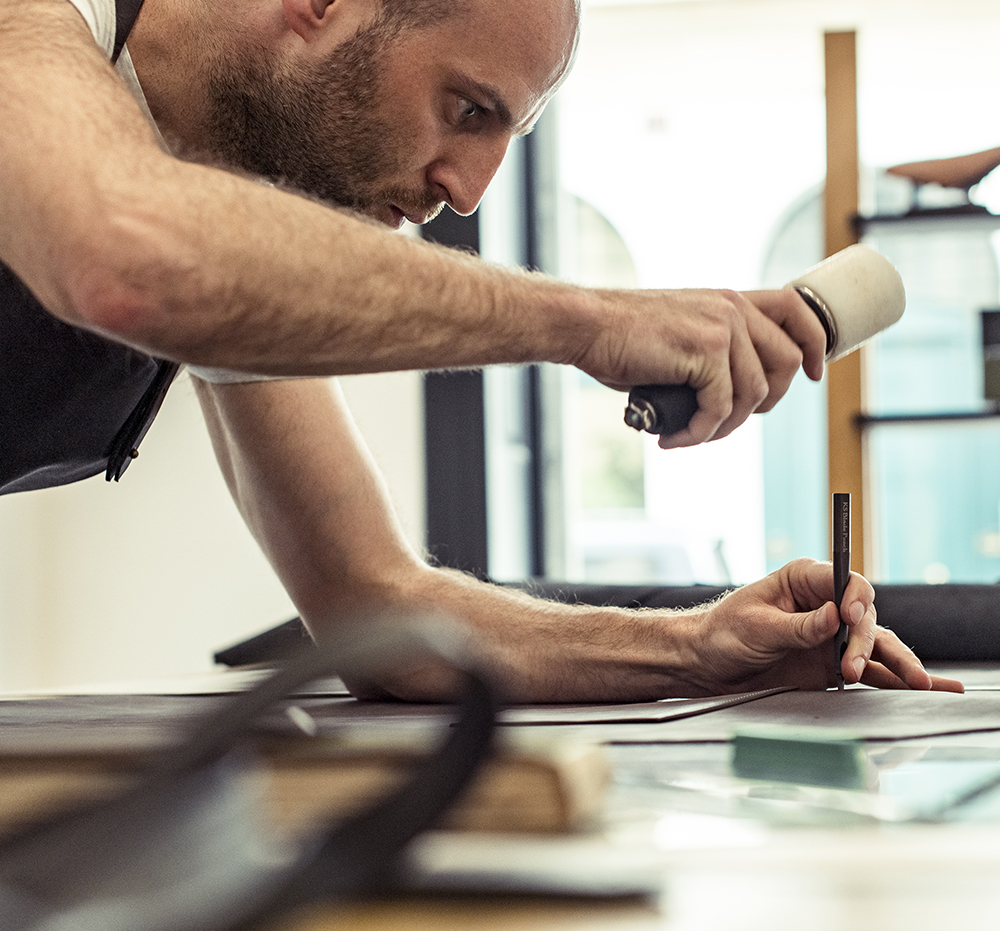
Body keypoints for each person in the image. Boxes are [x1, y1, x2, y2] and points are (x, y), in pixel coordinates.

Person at [0, 0, 962, 699]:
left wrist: (698, 645)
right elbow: (122, 253)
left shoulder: (217, 197)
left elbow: (378, 611)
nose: (467, 193)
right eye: (467, 109)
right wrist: (593, 319)